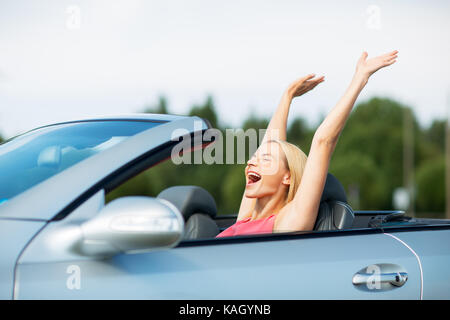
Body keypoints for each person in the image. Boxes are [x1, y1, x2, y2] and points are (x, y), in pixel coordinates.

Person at [216, 50, 398, 237]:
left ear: (287, 177)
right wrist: (287, 97)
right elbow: (270, 142)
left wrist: (360, 77)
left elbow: (323, 142)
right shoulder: (245, 219)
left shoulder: (286, 223)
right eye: (255, 157)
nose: (251, 162)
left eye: (266, 160)